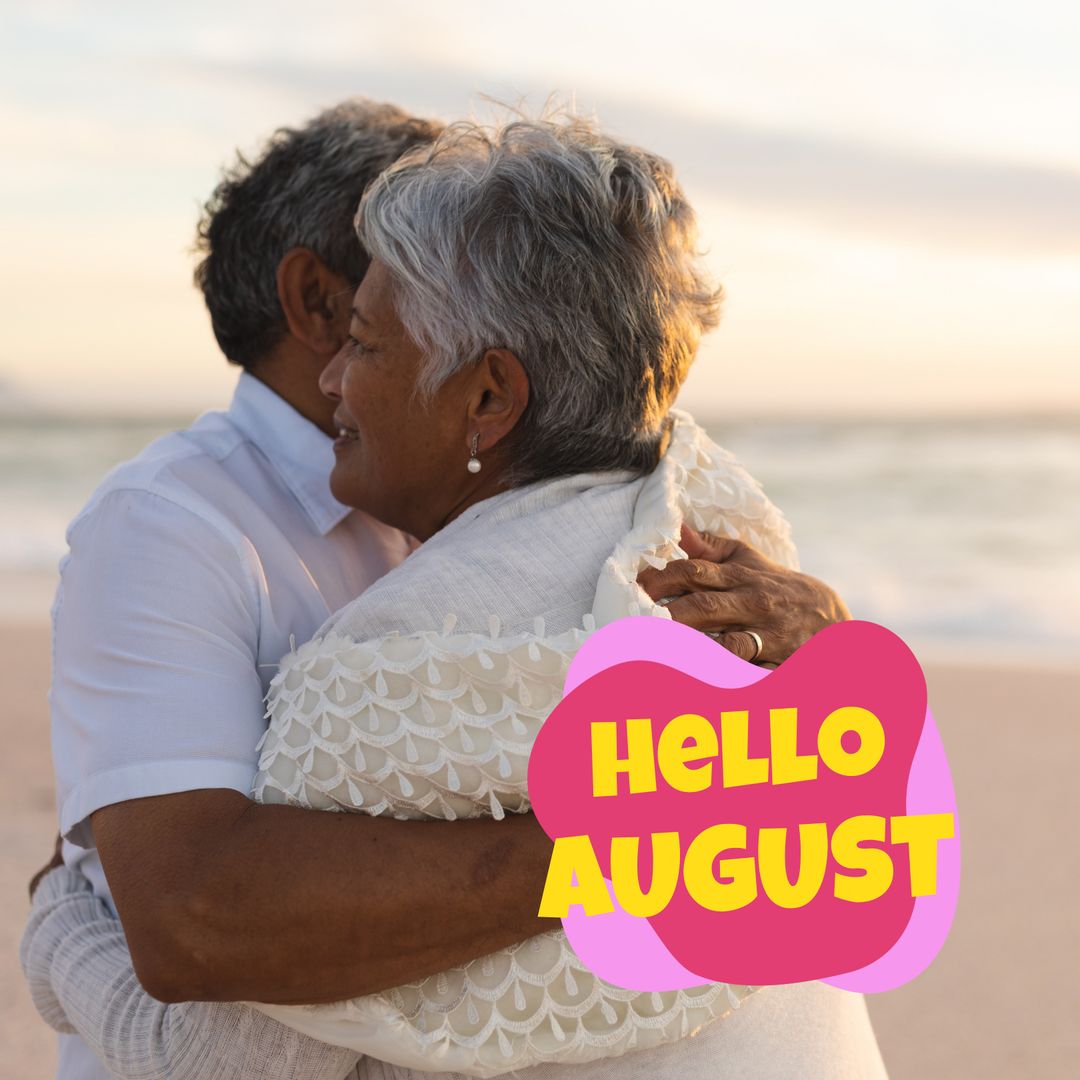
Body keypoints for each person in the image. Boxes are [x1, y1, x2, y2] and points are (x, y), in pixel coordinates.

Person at [23, 110, 880, 1078]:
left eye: (371, 341)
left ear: (487, 396)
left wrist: (56, 925)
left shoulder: (405, 654)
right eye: (350, 333)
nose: (345, 375)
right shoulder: (697, 513)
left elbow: (205, 1004)